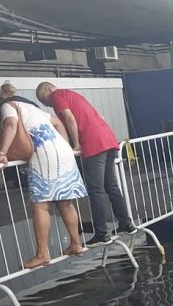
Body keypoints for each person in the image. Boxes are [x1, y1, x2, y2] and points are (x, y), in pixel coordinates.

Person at [0, 83, 86, 269]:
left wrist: (2, 152)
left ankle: (42, 253)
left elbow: (10, 124)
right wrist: (63, 144)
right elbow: (57, 122)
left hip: (44, 153)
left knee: (40, 205)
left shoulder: (8, 106)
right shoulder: (30, 106)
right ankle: (76, 243)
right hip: (62, 150)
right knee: (66, 202)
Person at [36, 82, 135, 245]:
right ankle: (126, 224)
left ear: (48, 90)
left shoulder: (56, 96)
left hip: (93, 144)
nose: (47, 104)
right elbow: (100, 117)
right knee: (112, 186)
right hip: (108, 141)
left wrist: (76, 144)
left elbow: (68, 118)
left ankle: (101, 233)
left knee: (96, 190)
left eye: (44, 100)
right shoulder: (74, 95)